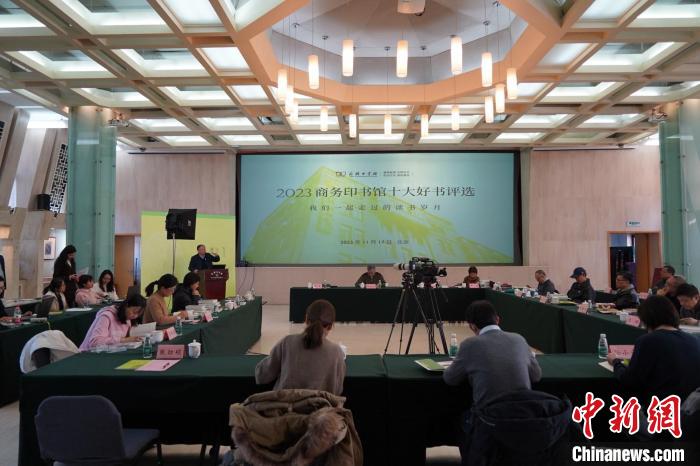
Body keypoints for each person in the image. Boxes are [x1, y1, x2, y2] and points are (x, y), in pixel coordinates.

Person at [607, 295, 700, 403]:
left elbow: (630, 380)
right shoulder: (694, 339)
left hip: (661, 407)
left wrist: (615, 362)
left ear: (646, 319)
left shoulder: (648, 340)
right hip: (690, 407)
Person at [255, 299, 345, 395]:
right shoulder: (337, 352)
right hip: (320, 405)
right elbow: (337, 390)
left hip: (285, 404)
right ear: (330, 326)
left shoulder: (287, 342)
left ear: (306, 319)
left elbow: (262, 376)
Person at [79, 294, 147, 350]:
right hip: (88, 353)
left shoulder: (127, 319)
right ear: (126, 305)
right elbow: (95, 342)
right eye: (134, 312)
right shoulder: (106, 316)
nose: (135, 316)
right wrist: (124, 340)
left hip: (108, 351)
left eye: (138, 314)